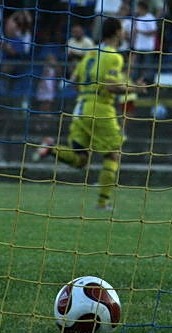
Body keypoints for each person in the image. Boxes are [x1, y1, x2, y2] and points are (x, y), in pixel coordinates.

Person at [31, 18, 147, 211]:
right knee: (113, 154)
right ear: (117, 32)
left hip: (80, 107)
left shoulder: (90, 54)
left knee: (80, 160)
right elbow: (111, 85)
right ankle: (103, 203)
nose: (125, 33)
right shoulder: (114, 56)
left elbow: (74, 80)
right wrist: (135, 87)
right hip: (100, 108)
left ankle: (50, 148)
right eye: (123, 30)